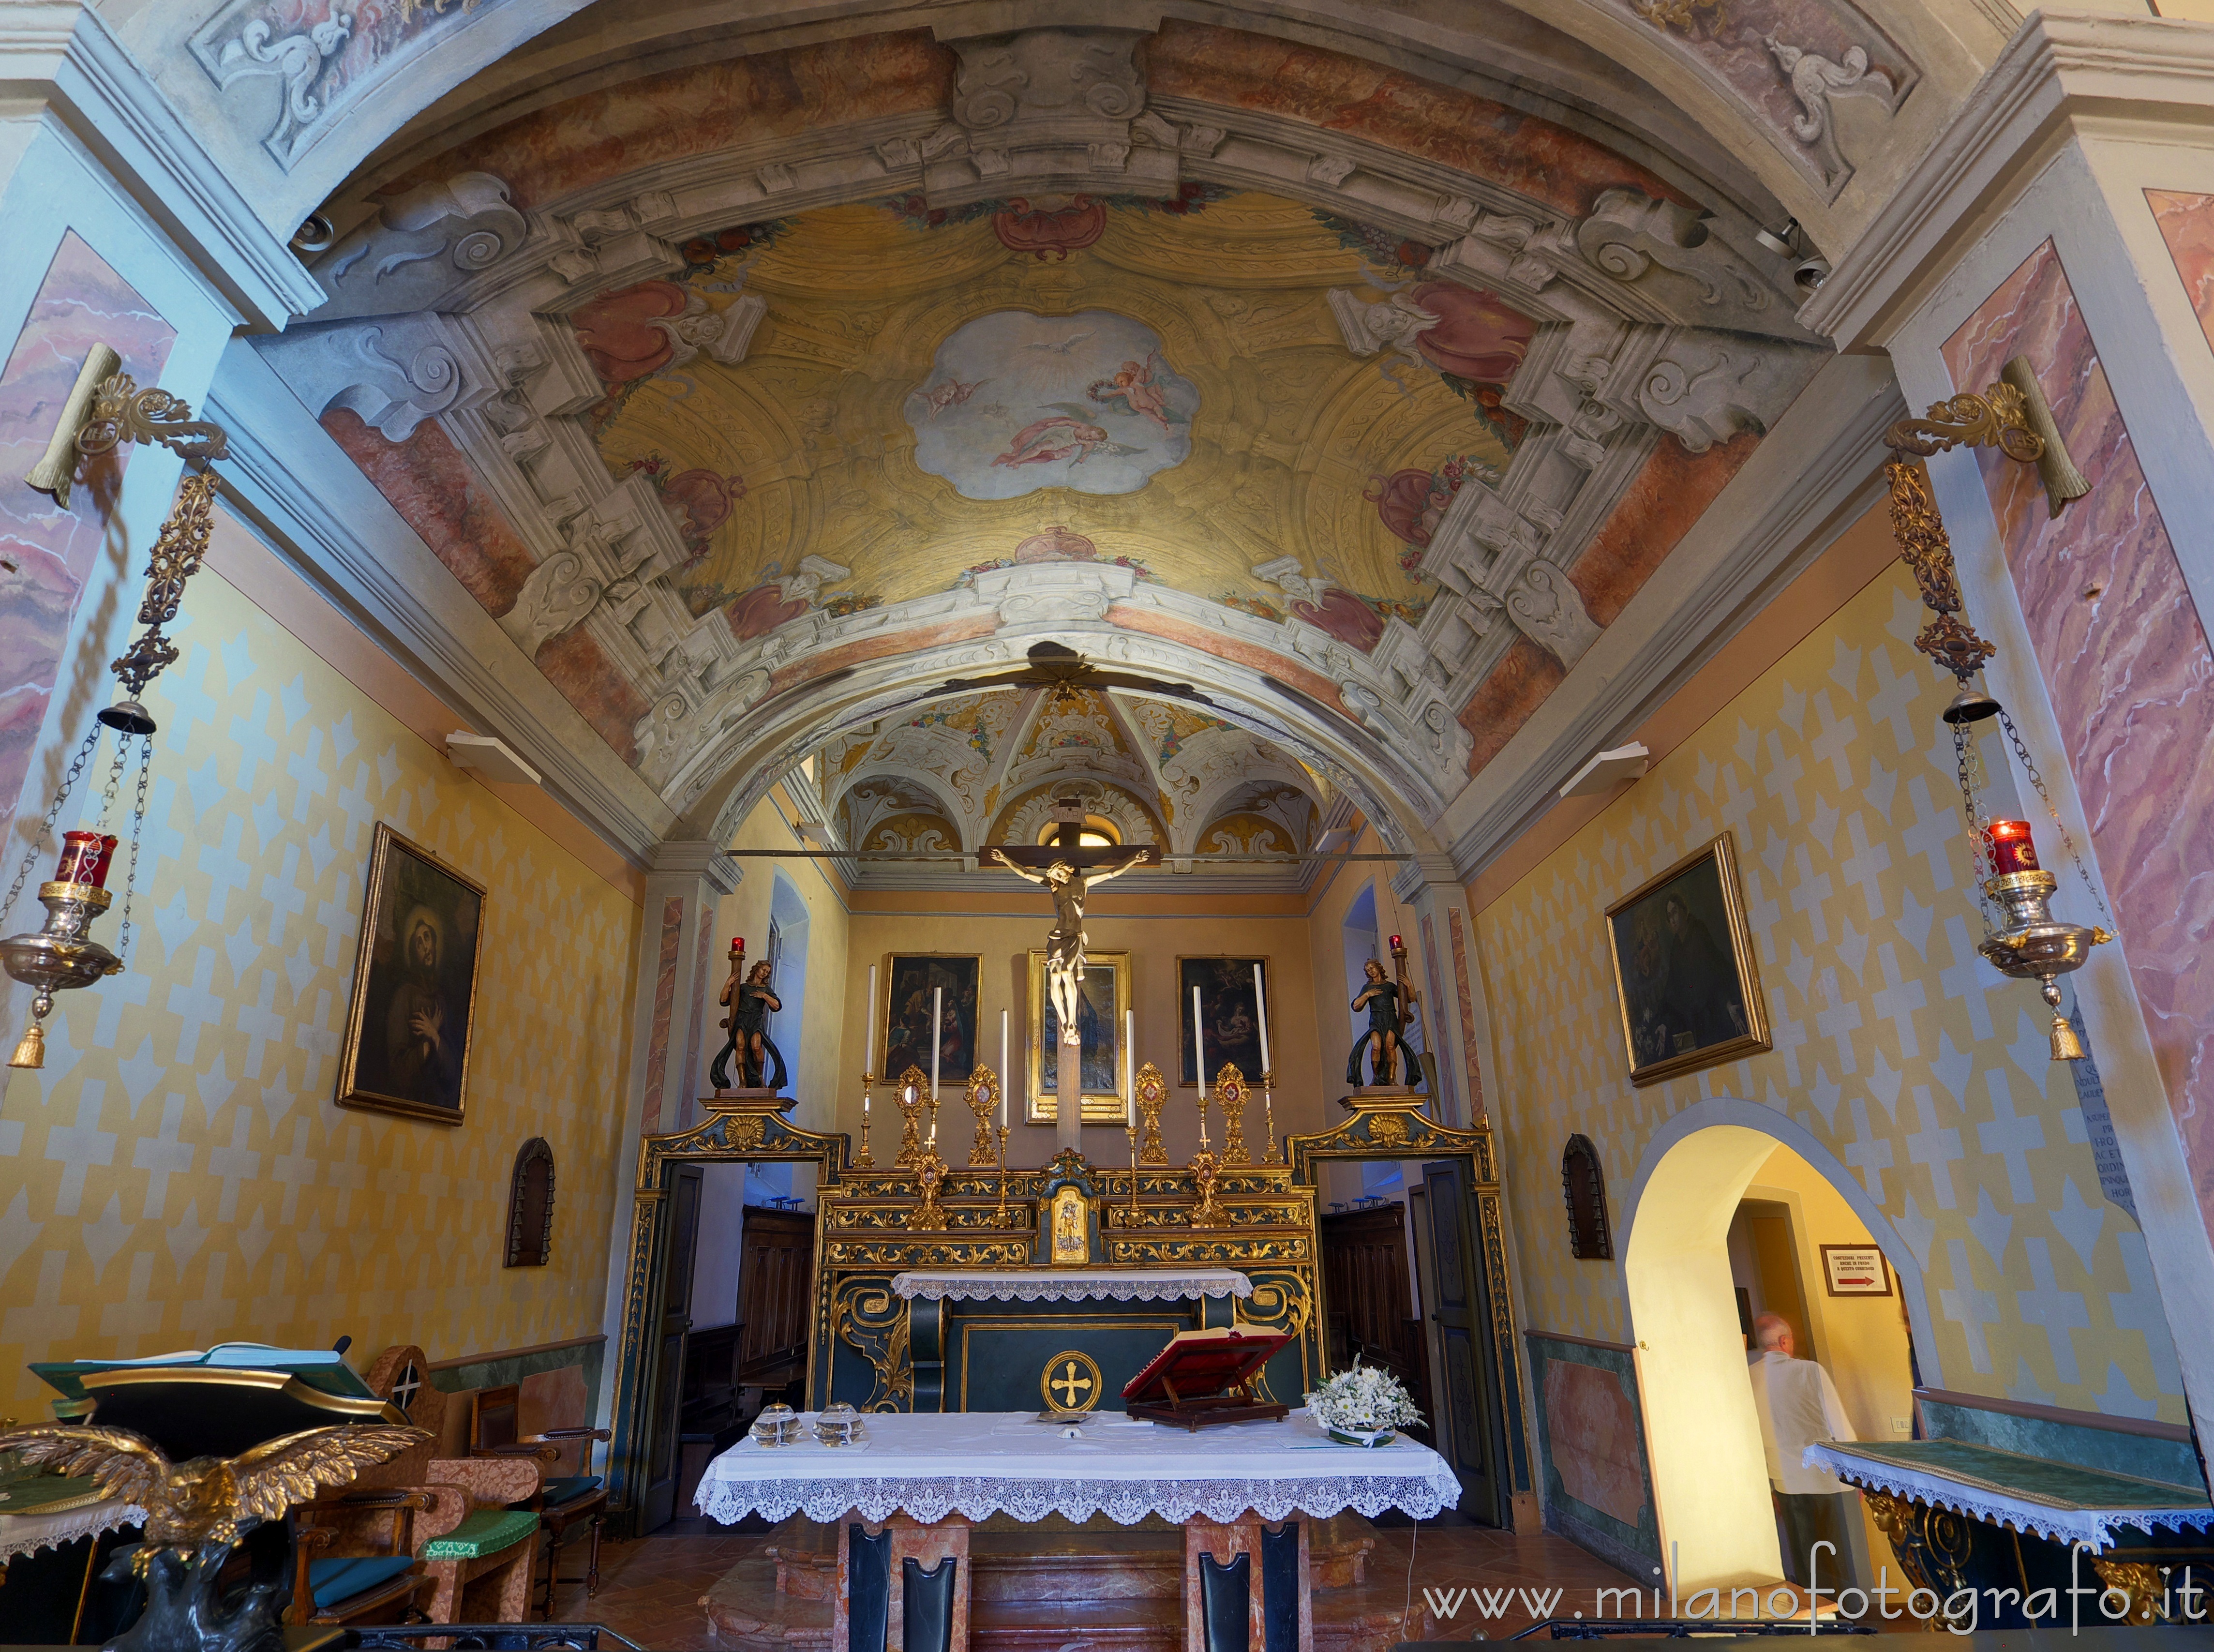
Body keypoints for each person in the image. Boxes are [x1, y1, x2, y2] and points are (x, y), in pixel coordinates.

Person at [1747, 1311, 1858, 1589]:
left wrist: (1768, 1486)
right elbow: (1838, 1424)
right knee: (1841, 1558)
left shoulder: (1748, 1378)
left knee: (1806, 1560)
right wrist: (1857, 1474)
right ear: (1784, 1341)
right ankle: (1848, 1608)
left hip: (1786, 1481)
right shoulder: (1811, 1370)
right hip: (1827, 1477)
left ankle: (1815, 1609)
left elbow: (1751, 1437)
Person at [1347, 958, 1405, 1086]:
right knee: (1376, 1048)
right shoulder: (1368, 988)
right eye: (1368, 970)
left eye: (1372, 968)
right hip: (1376, 1020)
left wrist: (1409, 986)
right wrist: (1368, 995)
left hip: (1390, 1018)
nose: (1371, 971)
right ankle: (1376, 1077)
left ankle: (1391, 1078)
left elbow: (1408, 998)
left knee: (1390, 1047)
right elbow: (1356, 1006)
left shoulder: (1389, 986)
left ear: (1379, 968)